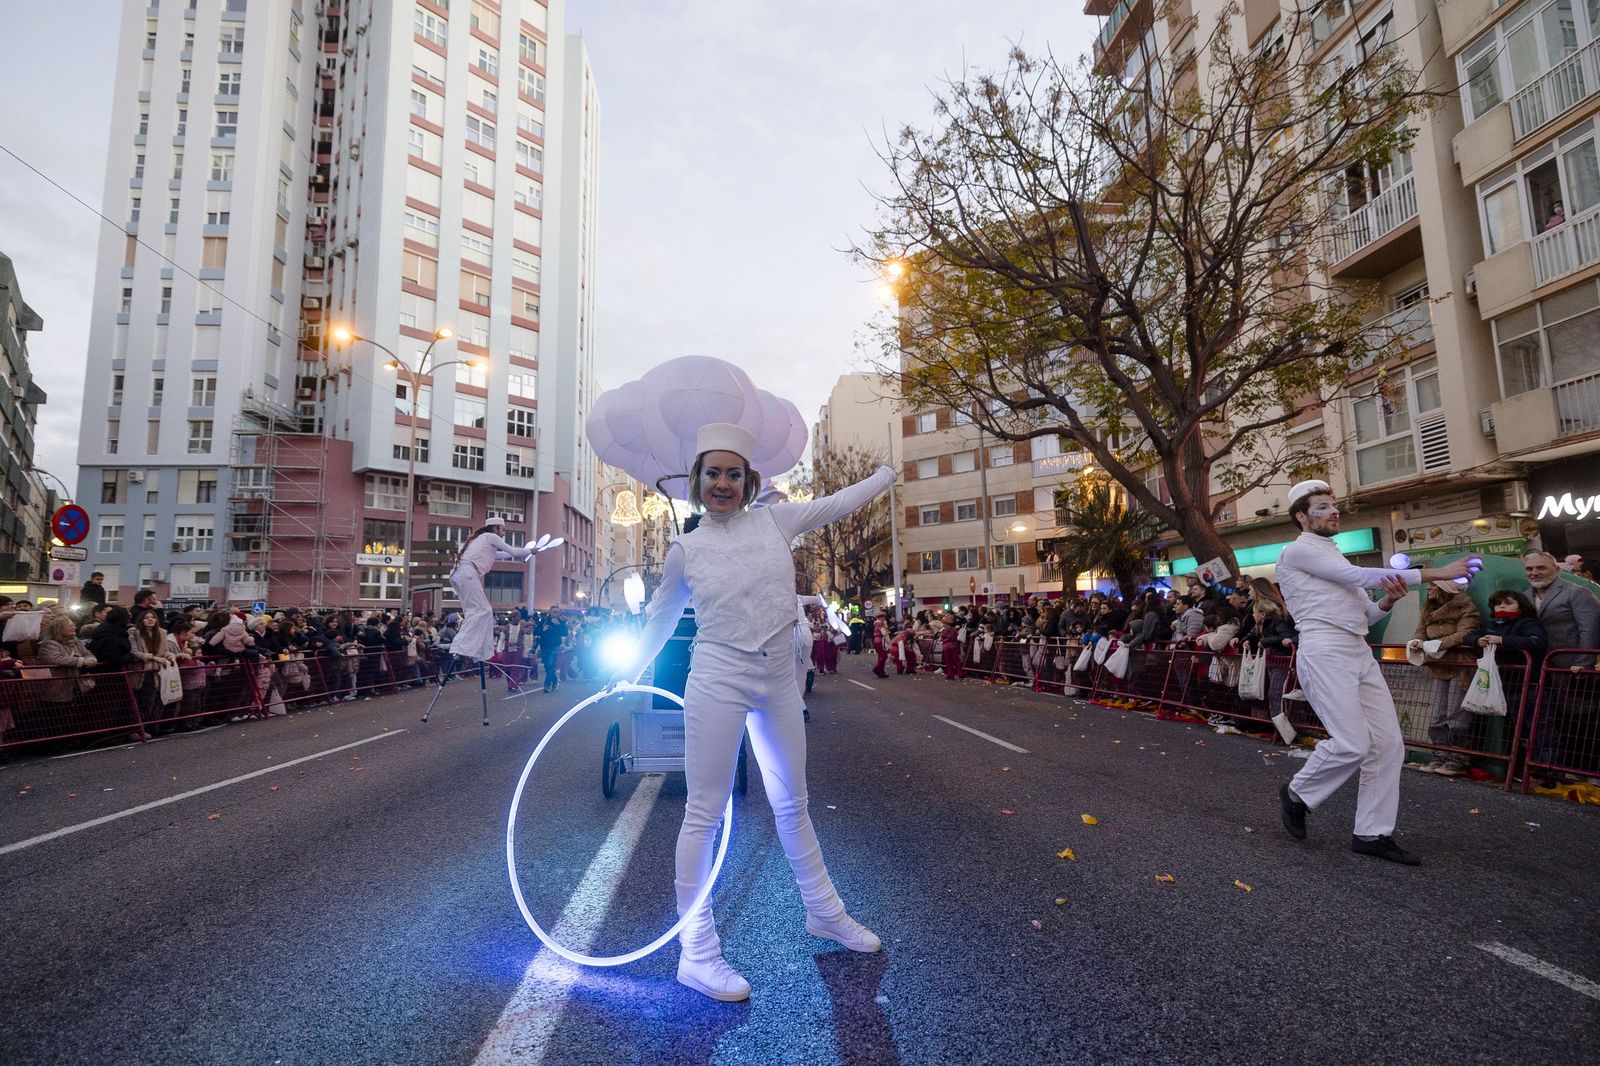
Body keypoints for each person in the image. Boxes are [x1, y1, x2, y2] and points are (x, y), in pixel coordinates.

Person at [618, 422, 892, 1003]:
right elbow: (662, 619)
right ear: (697, 480)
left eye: (733, 474)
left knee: (793, 801)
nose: (723, 483)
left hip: (776, 675)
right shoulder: (685, 550)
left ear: (748, 481)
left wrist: (886, 476)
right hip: (718, 674)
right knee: (704, 812)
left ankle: (824, 912)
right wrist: (630, 671)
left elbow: (838, 504)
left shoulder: (777, 521)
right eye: (713, 473)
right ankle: (697, 953)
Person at [1275, 479, 1471, 865]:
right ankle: (1297, 793)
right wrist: (1438, 572)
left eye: (1334, 505)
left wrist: (1389, 601)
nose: (1333, 511)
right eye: (1322, 507)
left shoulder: (1335, 557)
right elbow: (1360, 577)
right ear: (1301, 517)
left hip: (1357, 650)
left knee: (1388, 745)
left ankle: (1372, 833)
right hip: (1325, 650)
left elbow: (1366, 613)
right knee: (1352, 743)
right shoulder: (1296, 551)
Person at [1520, 550, 1600, 777]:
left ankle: (1586, 771)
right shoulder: (1524, 596)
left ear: (1556, 569)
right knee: (1551, 721)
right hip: (1541, 672)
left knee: (1581, 722)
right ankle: (1556, 771)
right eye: (1529, 569)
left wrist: (1582, 664)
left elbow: (1590, 630)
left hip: (1572, 670)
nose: (1534, 573)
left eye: (1541, 568)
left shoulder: (1577, 592)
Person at [1407, 580, 1482, 776]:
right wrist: (1417, 642)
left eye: (1433, 585)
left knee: (1456, 714)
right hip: (1439, 666)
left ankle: (1459, 759)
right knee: (1438, 714)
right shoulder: (1429, 608)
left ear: (1445, 588)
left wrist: (1435, 645)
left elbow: (1465, 632)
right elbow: (1421, 630)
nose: (1429, 588)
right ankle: (1440, 755)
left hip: (1460, 665)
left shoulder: (1465, 606)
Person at [447, 517, 536, 671]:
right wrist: (530, 551)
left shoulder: (482, 541)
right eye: (503, 529)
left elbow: (504, 555)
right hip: (467, 572)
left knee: (474, 612)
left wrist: (526, 552)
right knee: (484, 610)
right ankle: (463, 647)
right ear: (496, 528)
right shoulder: (490, 536)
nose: (504, 533)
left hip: (459, 574)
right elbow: (513, 551)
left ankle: (474, 649)